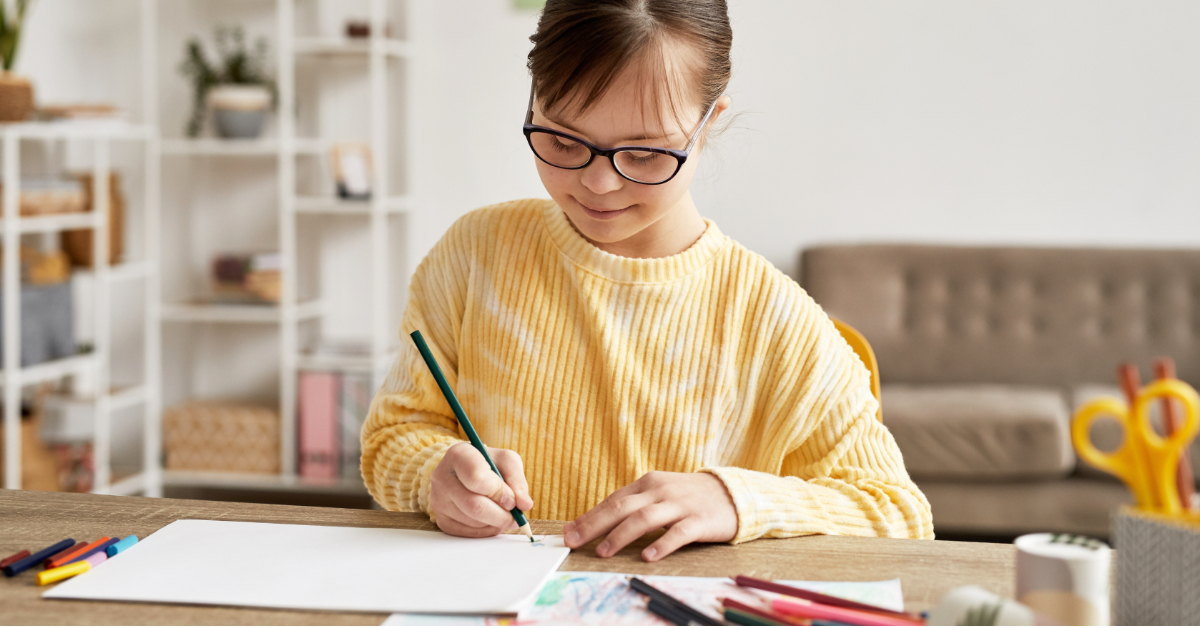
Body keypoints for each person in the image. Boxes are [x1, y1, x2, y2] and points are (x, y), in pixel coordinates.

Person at [361, 0, 933, 562]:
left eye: (645, 153)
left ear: (709, 125)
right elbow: (395, 435)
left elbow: (900, 517)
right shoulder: (476, 254)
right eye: (563, 141)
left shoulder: (769, 315)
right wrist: (432, 477)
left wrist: (735, 500)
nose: (599, 184)